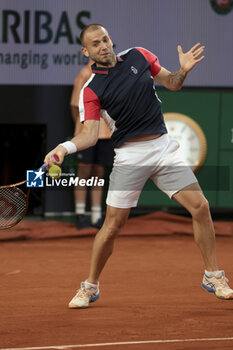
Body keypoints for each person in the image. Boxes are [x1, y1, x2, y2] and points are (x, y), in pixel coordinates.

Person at [45, 24, 233, 308]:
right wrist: (64, 147)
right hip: (130, 156)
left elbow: (173, 82)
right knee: (112, 225)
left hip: (163, 148)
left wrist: (184, 70)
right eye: (95, 44)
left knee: (201, 207)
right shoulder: (91, 89)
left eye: (105, 39)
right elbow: (90, 134)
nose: (103, 46)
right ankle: (90, 286)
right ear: (86, 51)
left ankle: (213, 275)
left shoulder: (139, 56)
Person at [70, 61, 114, 229]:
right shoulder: (84, 74)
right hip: (86, 133)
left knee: (99, 172)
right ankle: (80, 215)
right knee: (84, 171)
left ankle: (96, 216)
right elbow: (75, 105)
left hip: (105, 133)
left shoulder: (113, 74)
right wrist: (81, 128)